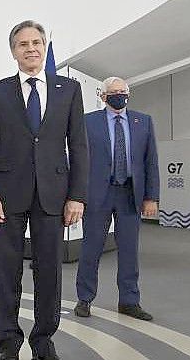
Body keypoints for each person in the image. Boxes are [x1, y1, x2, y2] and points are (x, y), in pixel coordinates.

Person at [0, 20, 88, 360]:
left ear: (44, 46)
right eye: (23, 44)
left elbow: (79, 146)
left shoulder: (68, 90)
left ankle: (43, 340)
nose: (31, 48)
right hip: (7, 197)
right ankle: (8, 342)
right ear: (14, 52)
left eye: (36, 42)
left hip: (55, 195)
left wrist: (77, 195)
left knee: (50, 271)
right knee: (6, 271)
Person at [75, 77, 159, 321]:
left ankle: (129, 302)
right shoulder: (87, 121)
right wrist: (77, 195)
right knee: (91, 248)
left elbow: (150, 160)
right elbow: (79, 160)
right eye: (113, 92)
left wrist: (151, 196)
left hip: (130, 194)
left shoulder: (143, 121)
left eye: (123, 92)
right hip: (97, 193)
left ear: (128, 95)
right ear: (103, 96)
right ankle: (85, 299)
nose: (119, 95)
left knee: (129, 251)